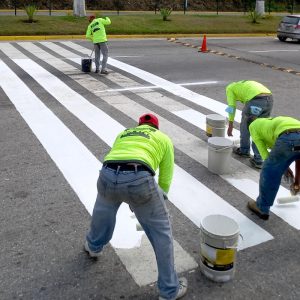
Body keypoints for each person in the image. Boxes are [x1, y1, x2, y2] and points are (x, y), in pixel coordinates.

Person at [84, 113, 188, 300]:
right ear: (156, 127)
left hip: (107, 174)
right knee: (161, 232)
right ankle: (169, 290)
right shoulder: (163, 138)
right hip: (139, 178)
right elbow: (165, 177)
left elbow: (119, 155)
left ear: (138, 126)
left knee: (103, 214)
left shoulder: (125, 133)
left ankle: (93, 247)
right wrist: (154, 202)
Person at [247, 116, 300, 220]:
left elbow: (265, 154)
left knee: (269, 171)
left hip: (287, 137)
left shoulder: (253, 126)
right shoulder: (271, 121)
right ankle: (297, 186)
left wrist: (280, 168)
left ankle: (261, 207)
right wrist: (297, 181)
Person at [225, 80, 273, 169]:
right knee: (260, 128)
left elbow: (231, 107)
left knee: (246, 127)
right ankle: (259, 159)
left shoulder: (229, 89)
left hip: (255, 100)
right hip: (269, 99)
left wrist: (230, 125)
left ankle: (245, 151)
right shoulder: (241, 85)